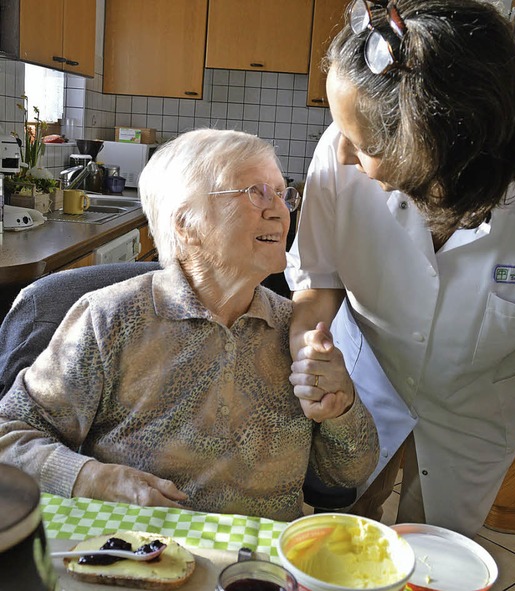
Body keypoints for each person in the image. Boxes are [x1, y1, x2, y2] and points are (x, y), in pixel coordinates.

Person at [286, 0, 515, 536]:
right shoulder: (339, 152)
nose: (341, 158)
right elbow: (317, 276)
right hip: (361, 386)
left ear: (437, 152)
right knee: (343, 537)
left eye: (368, 146)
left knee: (436, 551)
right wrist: (308, 347)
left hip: (476, 408)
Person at [0, 128, 379, 522]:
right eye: (255, 192)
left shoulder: (295, 331)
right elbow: (10, 438)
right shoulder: (110, 319)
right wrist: (92, 479)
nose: (280, 210)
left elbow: (348, 472)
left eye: (282, 194)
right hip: (136, 553)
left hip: (258, 565)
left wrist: (342, 407)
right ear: (186, 224)